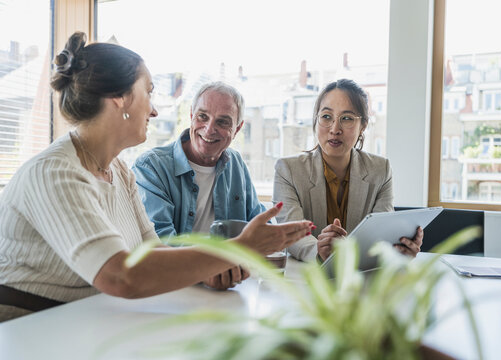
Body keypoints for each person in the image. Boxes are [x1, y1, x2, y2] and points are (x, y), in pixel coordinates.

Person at [0, 32, 312, 322]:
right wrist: (237, 249)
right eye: (148, 92)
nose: (154, 111)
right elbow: (122, 276)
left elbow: (153, 249)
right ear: (120, 98)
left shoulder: (119, 171)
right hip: (30, 326)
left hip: (90, 318)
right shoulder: (55, 173)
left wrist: (208, 269)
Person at [132, 82, 264, 290]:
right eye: (202, 117)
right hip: (174, 287)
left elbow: (259, 223)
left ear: (237, 128)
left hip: (231, 286)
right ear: (191, 115)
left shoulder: (236, 163)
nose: (209, 129)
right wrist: (208, 267)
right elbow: (160, 242)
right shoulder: (151, 166)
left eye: (222, 122)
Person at [273, 79, 423, 262]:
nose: (335, 129)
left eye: (347, 119)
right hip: (306, 279)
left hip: (362, 280)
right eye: (326, 117)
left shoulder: (380, 170)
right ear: (316, 120)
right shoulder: (288, 170)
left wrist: (398, 249)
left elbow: (380, 237)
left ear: (363, 126)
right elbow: (292, 234)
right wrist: (320, 252)